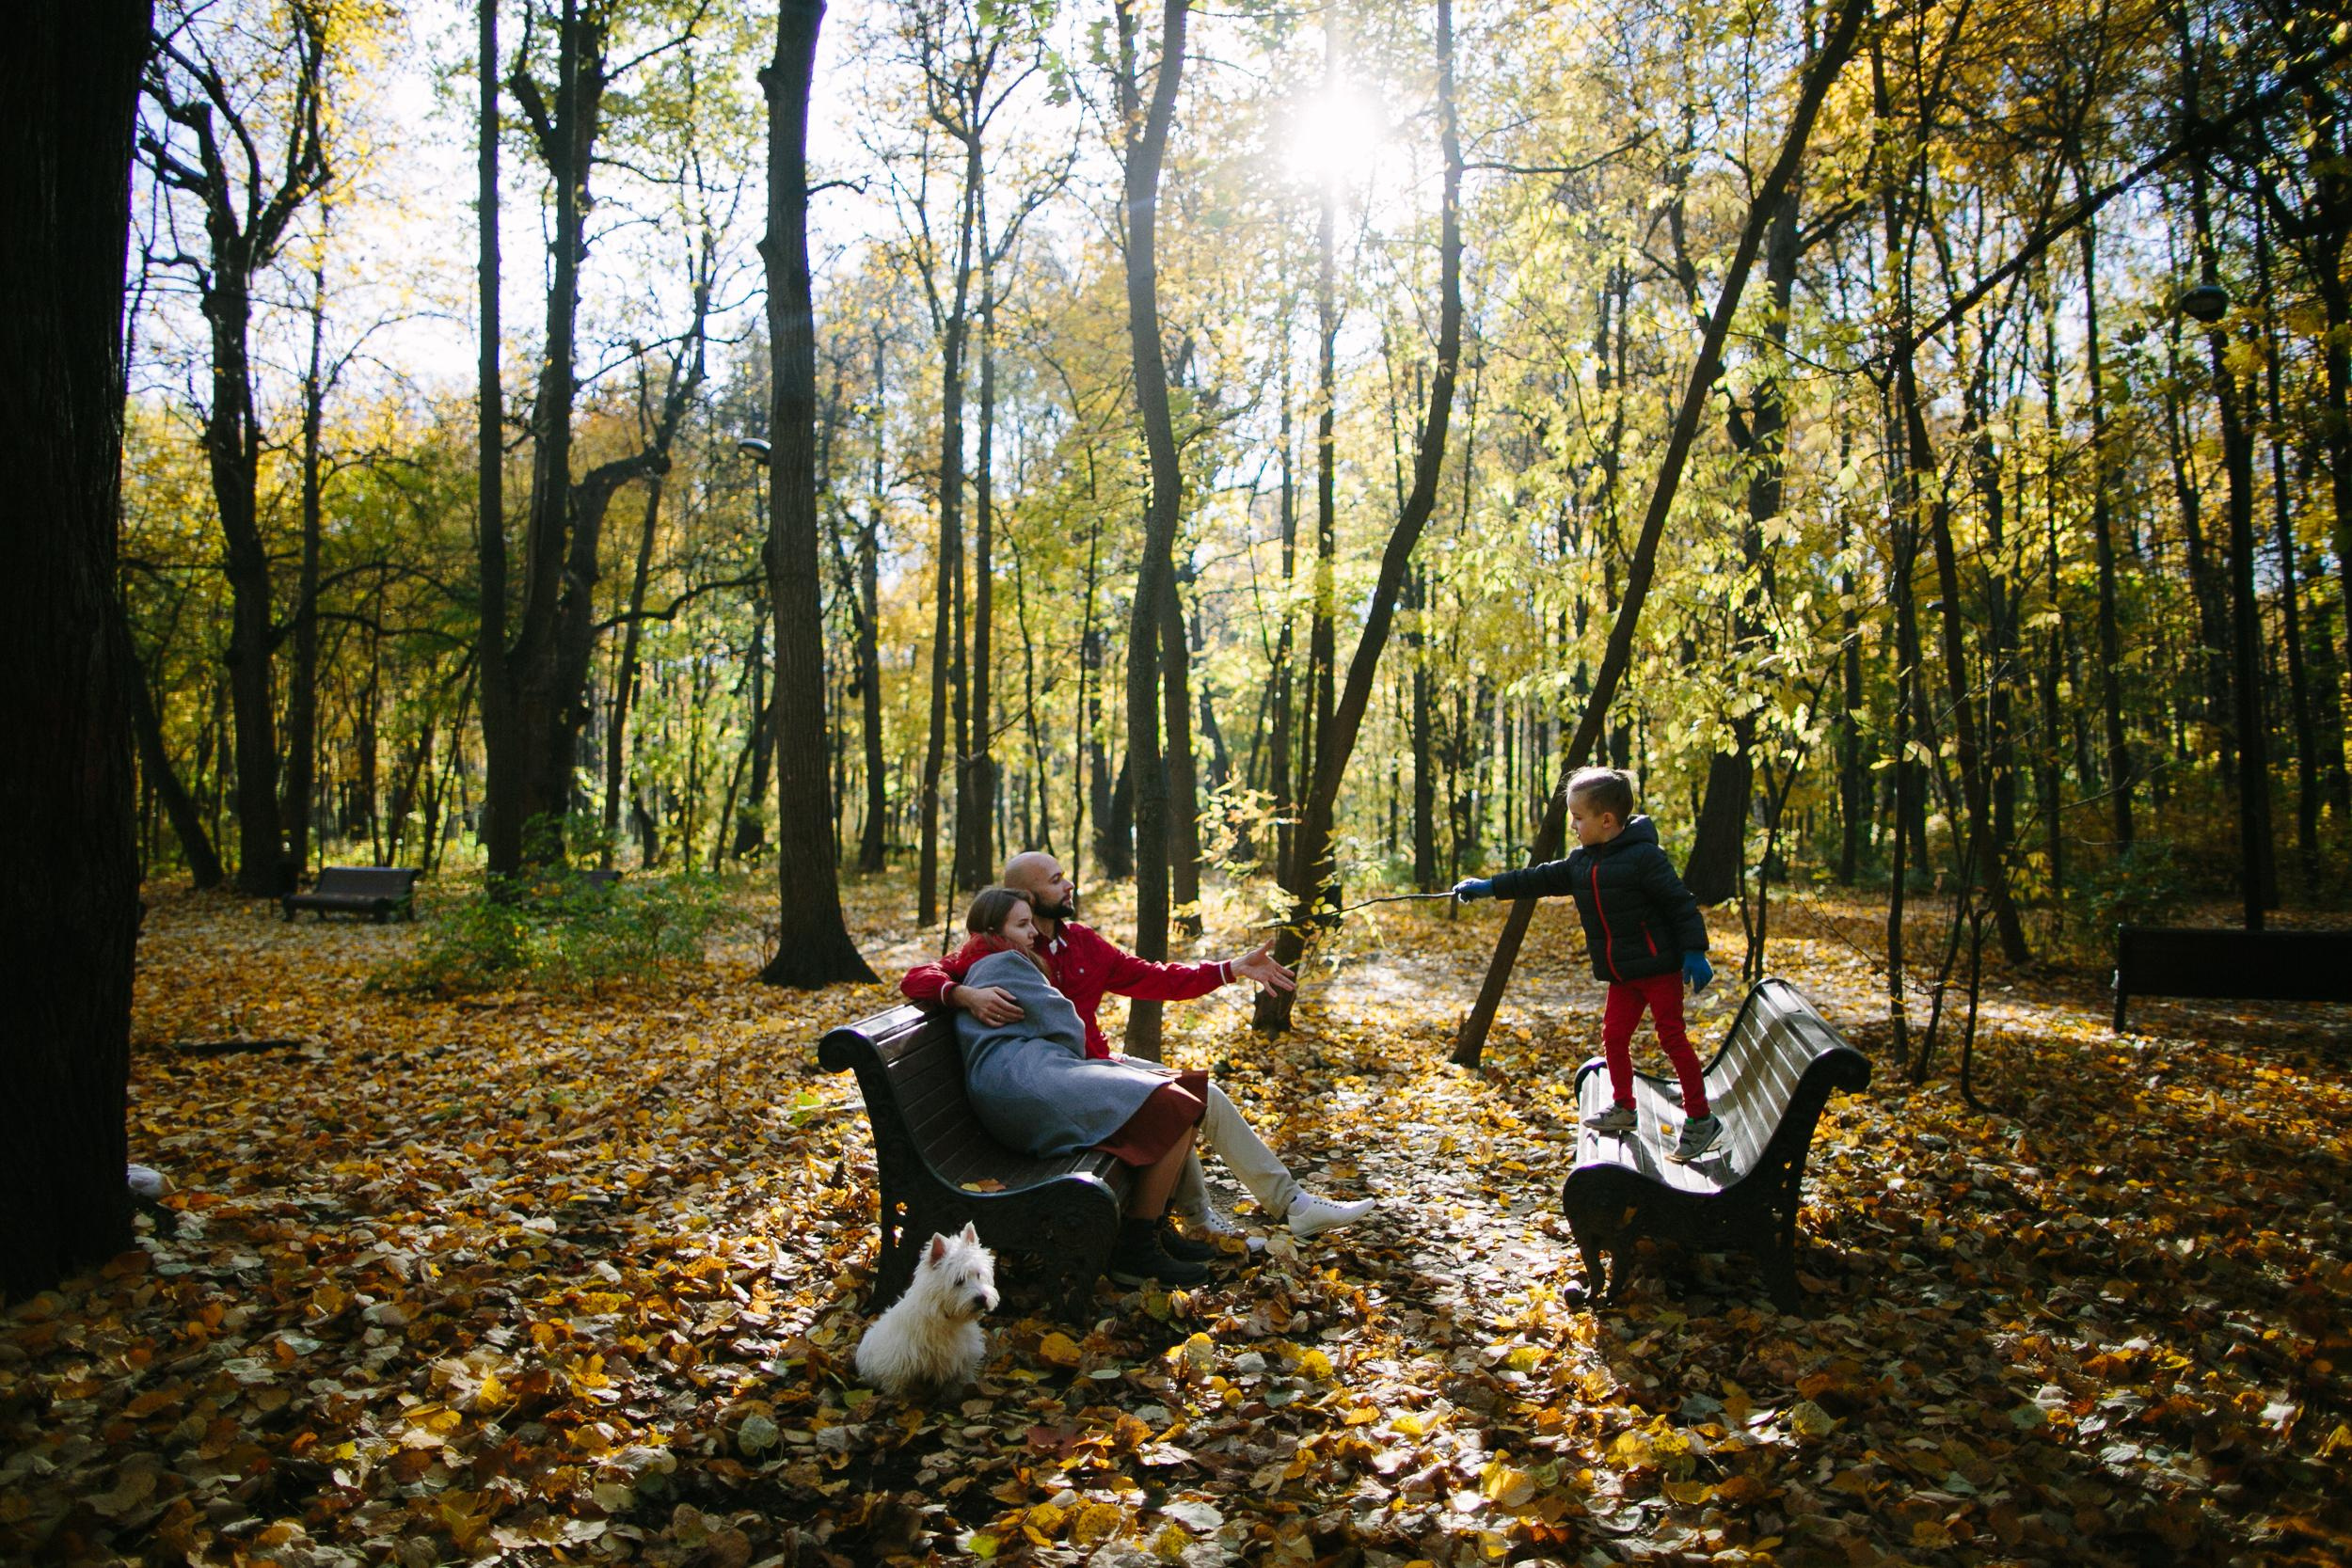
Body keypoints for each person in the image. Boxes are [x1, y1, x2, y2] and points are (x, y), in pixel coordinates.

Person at [907, 852, 1375, 1243]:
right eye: (1056, 880)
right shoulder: (991, 950)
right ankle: (1212, 1218)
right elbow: (917, 977)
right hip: (1056, 1087)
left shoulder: (1083, 943)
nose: (1069, 885)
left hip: (1095, 1069)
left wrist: (1230, 969)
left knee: (1196, 1095)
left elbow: (1155, 977)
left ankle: (1283, 1205)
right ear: (1027, 897)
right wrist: (962, 993)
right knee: (1184, 1100)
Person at [1453, 767, 1723, 1161]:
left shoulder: (1645, 858)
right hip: (1623, 974)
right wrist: (1489, 887)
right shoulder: (1581, 863)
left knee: (1671, 1038)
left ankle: (1701, 1119)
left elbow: (1680, 902)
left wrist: (1695, 950)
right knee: (1613, 1036)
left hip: (1659, 967)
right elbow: (1536, 880)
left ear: (1607, 820)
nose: (1574, 826)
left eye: (1578, 818)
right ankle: (1624, 1108)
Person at [952, 889, 1214, 1287]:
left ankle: (1153, 1231)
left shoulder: (982, 962)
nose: (1033, 934)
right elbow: (1064, 1022)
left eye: (1031, 922)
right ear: (992, 930)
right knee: (1175, 1105)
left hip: (1021, 1080)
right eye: (1022, 925)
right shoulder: (1002, 962)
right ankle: (1137, 1248)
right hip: (1026, 1084)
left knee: (1183, 1098)